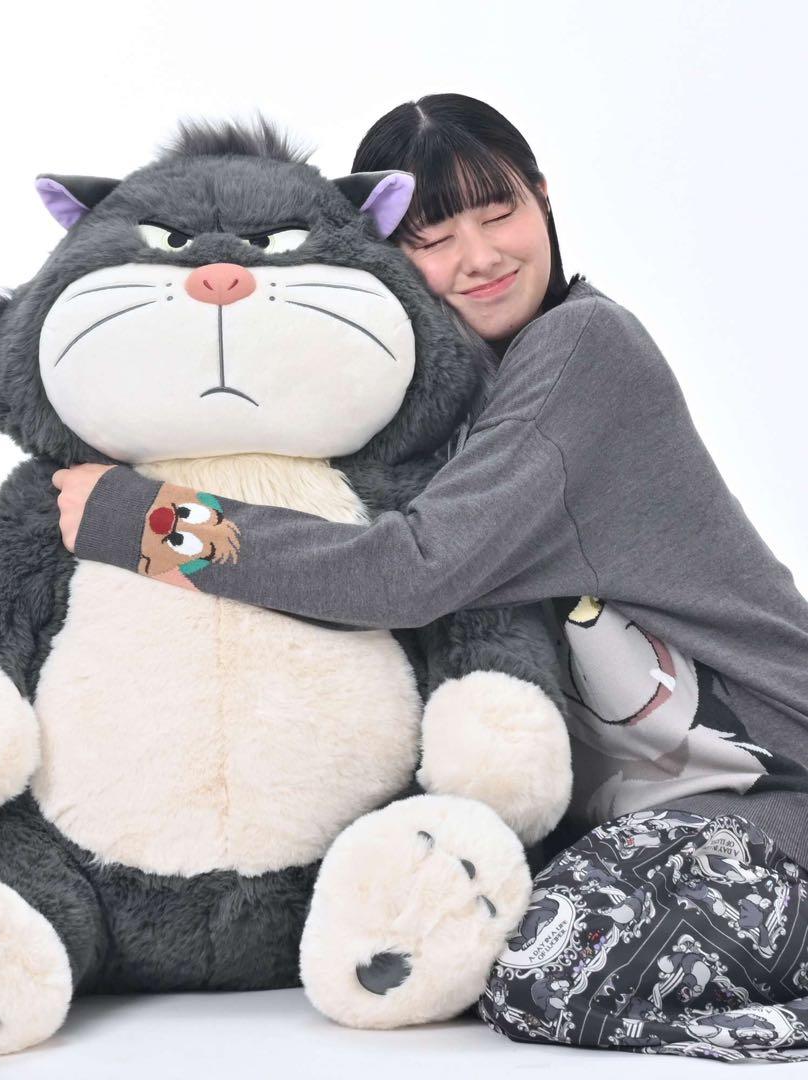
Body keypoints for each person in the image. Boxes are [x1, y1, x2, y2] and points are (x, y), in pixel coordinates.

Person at [52, 94, 808, 1060]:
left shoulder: (583, 350)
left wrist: (147, 521)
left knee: (545, 976)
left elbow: (410, 573)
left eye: (499, 213)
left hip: (772, 801)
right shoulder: (431, 395)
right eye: (434, 238)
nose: (479, 257)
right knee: (464, 953)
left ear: (543, 199)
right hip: (630, 825)